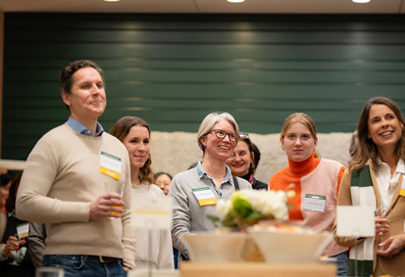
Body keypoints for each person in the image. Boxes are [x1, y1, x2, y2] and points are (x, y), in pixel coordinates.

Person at [16, 60, 135, 277]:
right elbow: (25, 204)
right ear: (66, 97)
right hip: (69, 263)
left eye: (99, 85)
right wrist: (87, 210)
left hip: (116, 267)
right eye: (86, 86)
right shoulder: (52, 142)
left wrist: (127, 259)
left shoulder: (116, 147)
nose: (96, 92)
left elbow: (126, 211)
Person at [335, 96, 405, 277]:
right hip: (364, 271)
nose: (384, 124)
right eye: (376, 120)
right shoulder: (353, 175)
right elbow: (339, 232)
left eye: (390, 117)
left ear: (401, 125)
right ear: (367, 133)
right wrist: (365, 225)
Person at [269, 112, 348, 276]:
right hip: (290, 262)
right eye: (291, 136)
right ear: (282, 142)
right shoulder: (275, 181)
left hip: (332, 260)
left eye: (305, 137)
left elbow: (351, 221)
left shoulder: (336, 171)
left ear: (315, 142)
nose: (298, 143)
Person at [169, 112, 252, 259]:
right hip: (198, 268)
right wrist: (208, 254)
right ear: (203, 139)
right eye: (220, 133)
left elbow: (249, 232)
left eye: (232, 136)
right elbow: (177, 231)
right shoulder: (182, 181)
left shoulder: (244, 187)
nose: (227, 140)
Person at [110, 116, 174, 270]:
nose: (142, 148)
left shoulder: (155, 194)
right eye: (134, 141)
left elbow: (164, 250)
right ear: (118, 144)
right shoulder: (108, 189)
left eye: (146, 141)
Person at [0, 172, 34, 277]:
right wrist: (5, 251)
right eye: (21, 188)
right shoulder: (3, 218)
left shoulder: (43, 222)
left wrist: (17, 254)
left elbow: (46, 256)